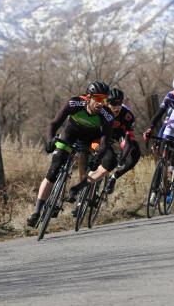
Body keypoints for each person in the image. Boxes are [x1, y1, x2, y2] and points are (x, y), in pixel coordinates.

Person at [27, 81, 116, 227]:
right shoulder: (74, 103)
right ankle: (36, 212)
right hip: (70, 135)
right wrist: (50, 140)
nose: (102, 103)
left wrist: (97, 157)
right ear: (88, 97)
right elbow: (53, 124)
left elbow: (104, 143)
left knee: (108, 157)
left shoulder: (107, 115)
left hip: (92, 140)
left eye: (105, 100)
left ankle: (78, 188)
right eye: (98, 99)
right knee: (54, 169)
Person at [104, 87, 141, 194]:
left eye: (119, 104)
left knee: (135, 153)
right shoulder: (101, 110)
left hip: (119, 133)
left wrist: (122, 158)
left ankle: (114, 177)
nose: (116, 108)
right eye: (113, 104)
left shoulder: (127, 115)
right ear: (107, 103)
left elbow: (128, 141)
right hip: (104, 132)